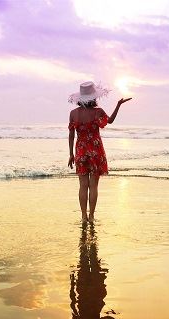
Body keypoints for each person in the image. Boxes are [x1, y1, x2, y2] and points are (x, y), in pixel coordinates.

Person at [67, 81, 132, 222]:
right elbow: (110, 121)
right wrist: (118, 105)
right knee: (93, 186)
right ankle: (91, 216)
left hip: (80, 150)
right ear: (94, 97)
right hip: (96, 150)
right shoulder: (98, 112)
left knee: (83, 186)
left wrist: (71, 154)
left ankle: (83, 216)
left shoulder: (73, 114)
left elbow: (71, 135)